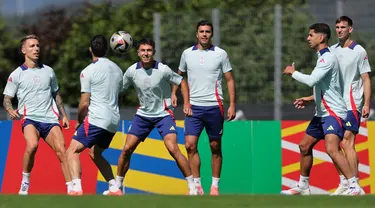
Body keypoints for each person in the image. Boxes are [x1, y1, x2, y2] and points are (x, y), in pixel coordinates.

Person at [281, 23, 361, 195]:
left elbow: (312, 81)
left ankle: (354, 185)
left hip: (333, 113)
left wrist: (292, 72)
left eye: (311, 35)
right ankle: (303, 186)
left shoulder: (327, 58)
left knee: (331, 148)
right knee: (304, 146)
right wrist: (311, 99)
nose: (307, 38)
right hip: (322, 113)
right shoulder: (322, 57)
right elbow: (327, 86)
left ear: (321, 37)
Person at [115, 38, 198, 195]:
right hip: (143, 115)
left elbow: (182, 83)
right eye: (143, 50)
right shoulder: (132, 71)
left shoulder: (163, 69)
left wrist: (186, 104)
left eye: (149, 50)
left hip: (163, 115)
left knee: (173, 149)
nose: (146, 53)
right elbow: (120, 88)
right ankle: (117, 186)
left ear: (153, 52)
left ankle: (192, 187)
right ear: (138, 53)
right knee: (126, 149)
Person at [171, 20, 236, 195]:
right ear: (197, 34)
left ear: (212, 34)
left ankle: (214, 186)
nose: (204, 34)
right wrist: (173, 94)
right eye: (202, 31)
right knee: (190, 145)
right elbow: (179, 75)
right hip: (193, 108)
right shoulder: (187, 54)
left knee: (215, 146)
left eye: (208, 31)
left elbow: (229, 79)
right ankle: (197, 186)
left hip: (215, 106)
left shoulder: (220, 54)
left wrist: (232, 105)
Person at [3, 34, 72, 195]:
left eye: (37, 46)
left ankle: (72, 188)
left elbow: (56, 94)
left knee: (62, 151)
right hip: (30, 119)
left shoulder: (49, 71)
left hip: (50, 118)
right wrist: (10, 109)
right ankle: (25, 180)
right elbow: (7, 98)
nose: (36, 49)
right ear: (23, 50)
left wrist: (63, 115)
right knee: (32, 145)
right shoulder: (16, 74)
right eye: (32, 46)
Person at [66, 35, 123, 196]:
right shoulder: (118, 70)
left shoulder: (88, 71)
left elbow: (84, 103)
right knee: (94, 152)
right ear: (106, 49)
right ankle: (113, 187)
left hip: (97, 118)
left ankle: (76, 188)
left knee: (72, 151)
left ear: (90, 49)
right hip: (113, 121)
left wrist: (79, 121)